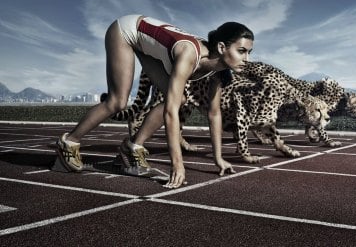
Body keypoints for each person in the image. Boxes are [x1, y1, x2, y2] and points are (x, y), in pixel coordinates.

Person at [55, 15, 254, 189]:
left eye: (249, 53)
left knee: (180, 98)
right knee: (118, 101)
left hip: (145, 41)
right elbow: (170, 112)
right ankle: (68, 143)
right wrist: (177, 165)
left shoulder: (219, 70)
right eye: (242, 51)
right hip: (126, 30)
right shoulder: (189, 54)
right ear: (221, 47)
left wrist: (218, 158)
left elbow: (214, 113)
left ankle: (131, 148)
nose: (247, 59)